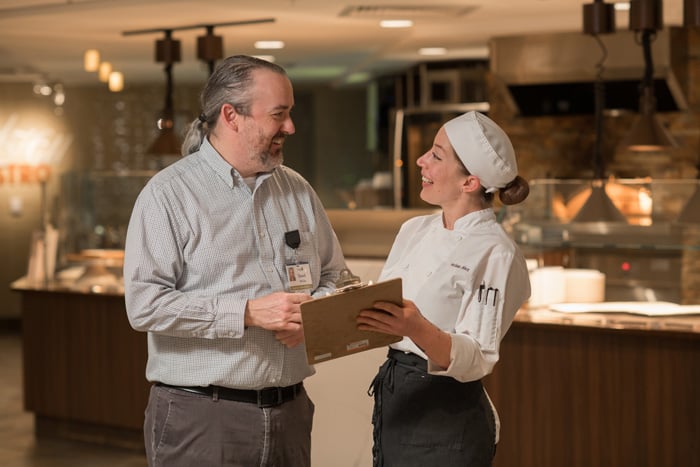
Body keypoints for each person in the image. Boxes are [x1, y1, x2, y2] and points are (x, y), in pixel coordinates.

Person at [123, 55, 347, 467]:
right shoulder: (167, 196)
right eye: (278, 115)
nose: (291, 127)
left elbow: (336, 275)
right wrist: (245, 313)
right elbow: (144, 306)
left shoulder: (297, 189)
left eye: (290, 114)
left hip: (291, 414)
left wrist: (316, 312)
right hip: (202, 419)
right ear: (232, 116)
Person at [357, 111, 531, 467]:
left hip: (447, 418)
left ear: (470, 183)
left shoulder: (496, 252)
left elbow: (478, 358)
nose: (420, 160)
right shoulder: (413, 230)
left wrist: (414, 326)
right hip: (396, 400)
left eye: (436, 155)